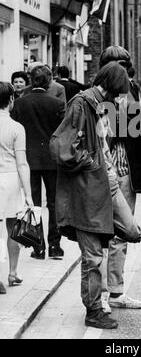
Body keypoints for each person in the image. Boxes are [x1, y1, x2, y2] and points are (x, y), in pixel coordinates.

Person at [52, 62, 141, 330]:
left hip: (107, 183)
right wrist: (89, 162)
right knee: (92, 256)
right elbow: (61, 147)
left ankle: (99, 239)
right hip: (90, 189)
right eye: (118, 91)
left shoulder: (99, 105)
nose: (119, 97)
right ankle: (94, 310)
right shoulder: (82, 104)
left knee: (133, 231)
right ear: (111, 86)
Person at [98, 46, 141, 312]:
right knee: (100, 234)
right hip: (102, 171)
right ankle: (102, 293)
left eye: (123, 65)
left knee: (122, 234)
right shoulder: (94, 96)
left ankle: (115, 291)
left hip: (123, 169)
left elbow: (136, 129)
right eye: (115, 65)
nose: (120, 71)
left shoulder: (131, 93)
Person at [11, 66, 66, 260]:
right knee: (54, 202)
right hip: (52, 159)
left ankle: (38, 246)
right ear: (50, 81)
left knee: (32, 203)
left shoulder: (19, 103)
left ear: (30, 80)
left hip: (29, 159)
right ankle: (55, 246)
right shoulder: (57, 104)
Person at [0, 82, 34, 294]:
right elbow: (22, 163)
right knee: (14, 228)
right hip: (11, 179)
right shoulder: (16, 128)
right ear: (11, 100)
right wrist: (29, 194)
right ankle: (12, 272)